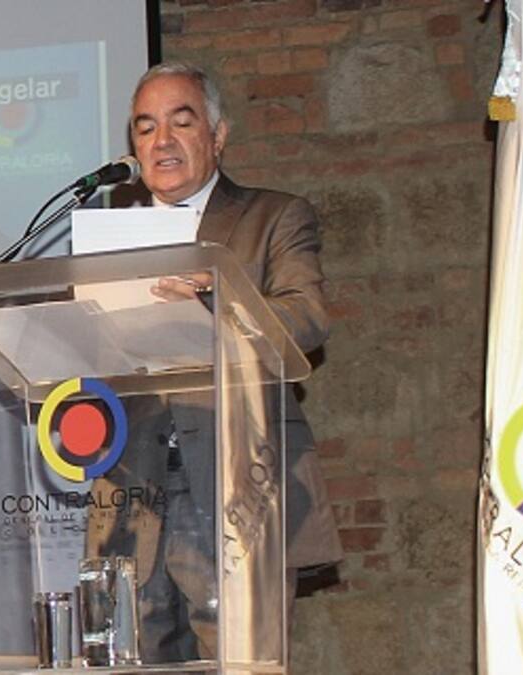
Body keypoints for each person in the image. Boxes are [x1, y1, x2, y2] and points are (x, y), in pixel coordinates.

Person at [84, 61, 342, 663]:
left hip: (237, 482)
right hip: (131, 488)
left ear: (218, 135)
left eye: (181, 122)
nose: (162, 141)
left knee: (240, 660)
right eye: (145, 127)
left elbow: (306, 320)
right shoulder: (106, 241)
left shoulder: (272, 217)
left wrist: (215, 296)